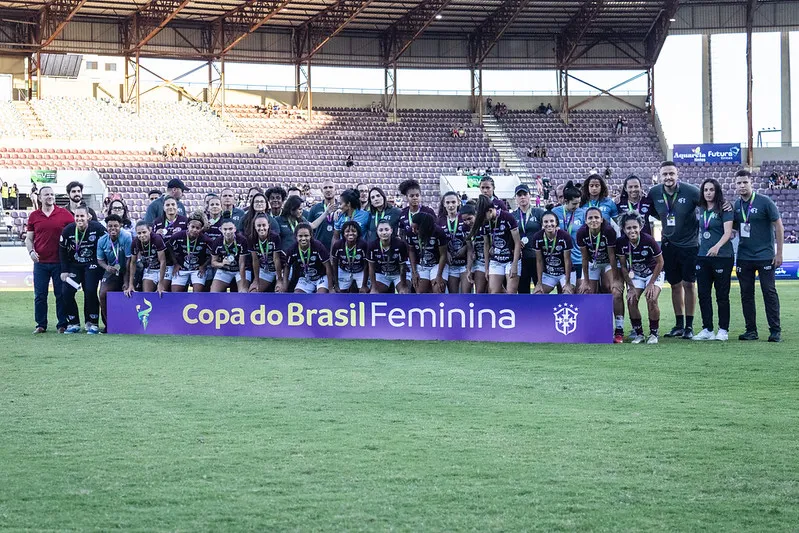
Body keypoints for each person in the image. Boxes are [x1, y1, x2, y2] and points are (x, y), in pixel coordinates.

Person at [647, 161, 702, 339]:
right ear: (660, 176)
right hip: (668, 245)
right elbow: (653, 211)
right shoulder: (655, 192)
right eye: (665, 174)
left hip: (690, 245)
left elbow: (709, 204)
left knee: (689, 284)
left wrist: (724, 207)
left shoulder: (691, 191)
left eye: (671, 174)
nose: (668, 177)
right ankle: (679, 325)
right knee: (675, 285)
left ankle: (689, 326)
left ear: (677, 175)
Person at [733, 170, 783, 342]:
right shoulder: (735, 206)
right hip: (744, 257)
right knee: (746, 294)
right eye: (739, 183)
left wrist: (779, 253)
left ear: (751, 183)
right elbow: (731, 230)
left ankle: (775, 330)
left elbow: (778, 226)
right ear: (735, 185)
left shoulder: (765, 202)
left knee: (769, 292)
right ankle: (751, 331)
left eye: (745, 182)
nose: (742, 186)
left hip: (765, 256)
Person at [26, 186, 74, 334]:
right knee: (40, 296)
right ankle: (40, 325)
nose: (50, 196)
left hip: (59, 262)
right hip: (40, 263)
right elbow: (29, 238)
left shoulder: (64, 214)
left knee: (60, 295)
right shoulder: (34, 216)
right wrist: (31, 251)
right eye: (46, 194)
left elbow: (74, 232)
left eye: (52, 194)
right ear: (40, 198)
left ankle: (62, 324)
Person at [693, 178, 734, 342]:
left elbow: (728, 232)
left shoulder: (725, 208)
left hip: (722, 256)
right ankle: (707, 329)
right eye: (705, 190)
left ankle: (723, 329)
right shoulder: (702, 208)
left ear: (717, 191)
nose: (708, 193)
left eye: (711, 190)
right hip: (703, 256)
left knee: (722, 295)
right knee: (703, 294)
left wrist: (717, 247)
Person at [616, 212, 664, 344]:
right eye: (628, 228)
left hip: (653, 274)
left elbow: (660, 263)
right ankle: (639, 334)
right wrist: (630, 287)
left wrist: (651, 284)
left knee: (652, 298)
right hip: (635, 275)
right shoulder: (621, 243)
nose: (632, 230)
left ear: (640, 227)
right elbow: (623, 267)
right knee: (631, 299)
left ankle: (654, 334)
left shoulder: (648, 240)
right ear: (624, 229)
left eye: (634, 227)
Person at [59, 205, 106, 334]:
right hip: (74, 265)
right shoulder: (68, 230)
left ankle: (93, 323)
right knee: (66, 292)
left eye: (82, 216)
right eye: (77, 216)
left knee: (90, 291)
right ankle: (73, 322)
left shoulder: (97, 228)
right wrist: (64, 270)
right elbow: (62, 250)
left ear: (88, 217)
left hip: (92, 264)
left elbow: (107, 244)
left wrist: (103, 266)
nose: (79, 219)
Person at [472, 195, 521, 294]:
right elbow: (486, 245)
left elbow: (517, 242)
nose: (483, 219)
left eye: (484, 216)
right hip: (496, 260)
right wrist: (486, 268)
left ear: (490, 211)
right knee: (493, 293)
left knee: (511, 293)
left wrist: (515, 264)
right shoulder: (485, 222)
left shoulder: (508, 217)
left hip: (511, 260)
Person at [96, 213, 133, 333]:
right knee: (102, 294)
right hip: (112, 270)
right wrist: (107, 267)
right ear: (106, 227)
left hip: (129, 268)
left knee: (129, 292)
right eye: (110, 226)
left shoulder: (126, 237)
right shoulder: (102, 240)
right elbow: (100, 260)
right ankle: (109, 325)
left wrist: (126, 281)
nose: (113, 228)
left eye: (116, 226)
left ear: (121, 226)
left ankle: (131, 324)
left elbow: (129, 260)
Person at [576, 207, 618, 296]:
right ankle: (591, 310)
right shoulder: (581, 233)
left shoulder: (609, 231)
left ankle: (612, 310)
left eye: (596, 217)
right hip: (593, 262)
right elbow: (584, 258)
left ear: (601, 219)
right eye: (590, 218)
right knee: (586, 291)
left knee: (613, 288)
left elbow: (612, 256)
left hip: (608, 263)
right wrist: (586, 281)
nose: (593, 220)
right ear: (586, 220)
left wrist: (615, 279)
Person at [168, 212, 212, 294]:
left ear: (201, 228)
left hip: (197, 270)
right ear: (188, 226)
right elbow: (169, 247)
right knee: (175, 294)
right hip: (181, 268)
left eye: (198, 228)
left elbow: (214, 254)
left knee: (197, 294)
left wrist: (204, 265)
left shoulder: (206, 240)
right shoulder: (177, 236)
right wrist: (175, 263)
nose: (195, 230)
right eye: (192, 227)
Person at [552, 181, 586, 287]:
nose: (577, 206)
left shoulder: (583, 213)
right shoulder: (555, 212)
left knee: (579, 292)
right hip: (560, 258)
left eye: (579, 203)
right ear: (566, 201)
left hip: (578, 258)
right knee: (563, 292)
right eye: (574, 203)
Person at [513, 184, 545, 293]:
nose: (522, 197)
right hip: (521, 257)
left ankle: (540, 310)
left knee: (539, 288)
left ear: (529, 196)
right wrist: (516, 242)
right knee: (522, 289)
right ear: (515, 198)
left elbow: (547, 230)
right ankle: (524, 310)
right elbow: (509, 236)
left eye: (524, 194)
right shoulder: (513, 216)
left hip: (537, 257)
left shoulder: (539, 213)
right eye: (519, 195)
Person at [532, 211, 574, 294]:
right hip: (549, 273)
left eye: (552, 221)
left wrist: (567, 283)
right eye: (546, 222)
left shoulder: (565, 236)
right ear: (542, 224)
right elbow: (539, 261)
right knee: (537, 294)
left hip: (565, 273)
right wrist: (539, 283)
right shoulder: (537, 237)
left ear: (556, 223)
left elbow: (567, 261)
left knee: (567, 294)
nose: (549, 224)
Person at [283, 223, 333, 294]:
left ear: (311, 236)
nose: (303, 238)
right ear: (296, 237)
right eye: (300, 236)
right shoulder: (292, 250)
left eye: (306, 236)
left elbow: (328, 266)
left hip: (321, 276)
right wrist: (284, 286)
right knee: (297, 295)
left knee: (321, 295)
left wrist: (330, 288)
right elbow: (287, 267)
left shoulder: (318, 246)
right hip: (305, 278)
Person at [408, 211, 448, 293]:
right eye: (412, 227)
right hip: (421, 265)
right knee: (420, 292)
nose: (413, 231)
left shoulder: (438, 232)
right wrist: (414, 272)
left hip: (437, 264)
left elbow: (443, 255)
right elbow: (411, 251)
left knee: (438, 289)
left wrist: (439, 275)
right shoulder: (410, 232)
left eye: (417, 229)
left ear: (424, 227)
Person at [438, 191, 470, 294]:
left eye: (453, 202)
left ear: (458, 203)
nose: (451, 205)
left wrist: (464, 248)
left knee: (466, 295)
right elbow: (438, 243)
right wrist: (445, 253)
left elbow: (472, 239)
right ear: (444, 204)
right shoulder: (439, 221)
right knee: (453, 295)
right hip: (451, 265)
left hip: (465, 264)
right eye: (447, 203)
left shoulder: (465, 218)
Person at [367, 219, 409, 294]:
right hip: (382, 274)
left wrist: (403, 285)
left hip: (398, 274)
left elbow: (402, 266)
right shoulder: (372, 245)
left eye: (386, 229)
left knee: (404, 293)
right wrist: (373, 287)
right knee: (374, 294)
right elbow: (371, 268)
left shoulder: (400, 244)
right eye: (381, 230)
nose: (384, 233)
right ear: (377, 232)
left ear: (391, 230)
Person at [127, 221, 168, 296]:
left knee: (162, 293)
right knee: (147, 295)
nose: (142, 235)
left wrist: (160, 283)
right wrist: (131, 284)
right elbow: (132, 263)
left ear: (149, 230)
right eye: (139, 233)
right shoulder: (135, 242)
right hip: (150, 269)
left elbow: (163, 261)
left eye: (144, 232)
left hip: (164, 268)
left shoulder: (157, 239)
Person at [209, 220, 250, 293]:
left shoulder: (242, 240)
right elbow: (213, 263)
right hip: (225, 270)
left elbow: (242, 264)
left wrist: (243, 283)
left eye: (230, 229)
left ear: (235, 229)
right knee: (213, 293)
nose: (228, 232)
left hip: (240, 270)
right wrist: (222, 264)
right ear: (221, 229)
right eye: (225, 229)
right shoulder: (217, 242)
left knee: (243, 292)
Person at [331, 220, 369, 293]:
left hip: (360, 271)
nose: (350, 233)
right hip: (344, 270)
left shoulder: (363, 244)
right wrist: (336, 284)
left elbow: (366, 265)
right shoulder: (338, 245)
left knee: (364, 292)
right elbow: (335, 265)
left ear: (358, 233)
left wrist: (364, 285)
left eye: (354, 231)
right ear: (343, 233)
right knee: (340, 292)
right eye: (347, 231)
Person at [248, 214, 283, 293]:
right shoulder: (251, 238)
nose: (261, 228)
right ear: (255, 227)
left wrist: (279, 279)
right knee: (253, 292)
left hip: (281, 269)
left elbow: (276, 259)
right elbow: (255, 260)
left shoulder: (275, 237)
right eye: (258, 226)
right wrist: (256, 280)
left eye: (264, 225)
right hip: (265, 269)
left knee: (280, 291)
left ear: (268, 225)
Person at [308, 179, 338, 251]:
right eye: (325, 188)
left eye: (331, 187)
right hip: (319, 248)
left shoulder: (342, 207)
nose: (328, 190)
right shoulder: (315, 208)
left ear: (335, 190)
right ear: (321, 190)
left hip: (338, 248)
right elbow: (309, 229)